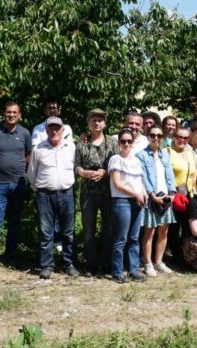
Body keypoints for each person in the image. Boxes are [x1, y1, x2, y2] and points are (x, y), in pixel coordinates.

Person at [27, 116, 80, 279]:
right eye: (51, 128)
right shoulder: (38, 149)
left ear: (63, 130)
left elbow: (75, 169)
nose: (54, 130)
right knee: (45, 232)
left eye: (57, 128)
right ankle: (47, 265)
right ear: (46, 130)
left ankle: (68, 263)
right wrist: (38, 188)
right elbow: (31, 173)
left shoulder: (71, 147)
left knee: (68, 231)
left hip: (66, 193)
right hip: (45, 195)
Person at [0, 102, 32, 274]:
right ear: (3, 113)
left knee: (15, 221)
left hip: (19, 182)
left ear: (19, 115)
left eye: (14, 112)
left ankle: (11, 254)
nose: (11, 115)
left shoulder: (25, 133)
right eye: (8, 112)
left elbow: (28, 155)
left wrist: (17, 166)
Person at [75, 109, 117, 277]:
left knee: (109, 229)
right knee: (89, 231)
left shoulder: (112, 143)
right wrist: (82, 173)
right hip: (88, 193)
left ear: (105, 124)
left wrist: (105, 172)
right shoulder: (82, 143)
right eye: (93, 120)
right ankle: (90, 265)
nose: (97, 123)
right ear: (88, 123)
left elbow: (117, 164)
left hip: (108, 192)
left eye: (100, 120)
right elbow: (76, 165)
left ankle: (106, 263)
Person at [108, 129, 148, 283]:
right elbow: (117, 184)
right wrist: (136, 194)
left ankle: (134, 270)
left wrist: (143, 193)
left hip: (137, 202)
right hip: (122, 202)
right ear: (118, 143)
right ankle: (117, 272)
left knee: (134, 238)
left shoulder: (136, 161)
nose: (126, 144)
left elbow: (140, 181)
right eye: (123, 141)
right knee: (121, 239)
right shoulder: (115, 159)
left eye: (129, 141)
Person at [136, 126, 177, 277]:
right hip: (151, 199)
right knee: (150, 232)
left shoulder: (165, 154)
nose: (156, 138)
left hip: (165, 196)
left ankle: (158, 262)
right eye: (153, 135)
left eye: (159, 135)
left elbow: (170, 174)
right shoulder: (141, 155)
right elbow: (144, 177)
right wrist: (152, 196)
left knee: (163, 231)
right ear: (148, 136)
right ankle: (147, 263)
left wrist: (172, 193)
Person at [165, 126, 197, 266]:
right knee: (174, 228)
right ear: (173, 137)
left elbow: (194, 173)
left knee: (187, 227)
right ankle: (175, 257)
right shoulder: (167, 152)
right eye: (179, 137)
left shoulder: (189, 152)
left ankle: (186, 255)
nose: (182, 140)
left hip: (189, 194)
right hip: (174, 195)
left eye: (185, 138)